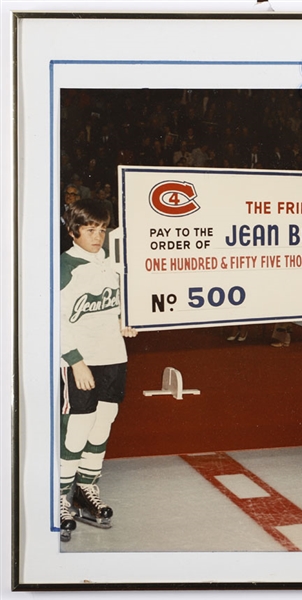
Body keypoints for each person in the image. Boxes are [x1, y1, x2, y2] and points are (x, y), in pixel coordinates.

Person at [59, 199, 138, 541]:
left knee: (104, 420)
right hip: (81, 359)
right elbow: (55, 317)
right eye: (90, 230)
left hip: (113, 356)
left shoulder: (112, 264)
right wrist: (75, 360)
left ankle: (86, 488)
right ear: (73, 231)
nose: (97, 236)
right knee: (78, 423)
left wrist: (125, 321)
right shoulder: (65, 266)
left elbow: (117, 304)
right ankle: (60, 494)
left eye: (102, 229)